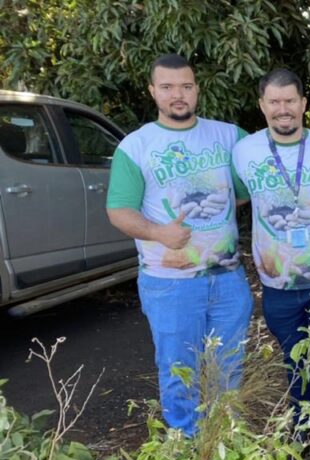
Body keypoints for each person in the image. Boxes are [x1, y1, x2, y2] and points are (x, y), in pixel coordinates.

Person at [107, 53, 253, 436]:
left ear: (196, 89)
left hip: (227, 278)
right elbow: (119, 210)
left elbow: (252, 183)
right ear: (153, 91)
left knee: (228, 372)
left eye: (186, 86)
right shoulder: (136, 146)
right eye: (168, 87)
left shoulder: (228, 136)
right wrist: (158, 233)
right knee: (179, 373)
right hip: (169, 283)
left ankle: (223, 452)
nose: (178, 95)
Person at [231, 68, 310, 435]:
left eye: (290, 101)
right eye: (274, 101)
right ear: (262, 105)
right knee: (297, 367)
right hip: (278, 286)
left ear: (303, 104)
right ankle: (302, 444)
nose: (282, 109)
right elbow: (237, 199)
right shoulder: (244, 152)